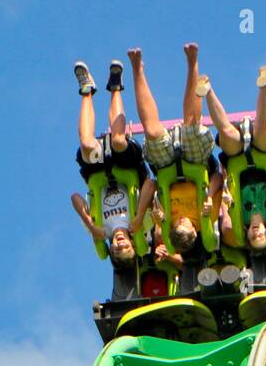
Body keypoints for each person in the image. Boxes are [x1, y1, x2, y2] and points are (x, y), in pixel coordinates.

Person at [127, 44, 224, 266]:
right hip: (195, 162)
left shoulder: (165, 223)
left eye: (177, 223)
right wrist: (209, 195)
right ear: (195, 229)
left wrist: (149, 213)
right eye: (185, 223)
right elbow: (218, 176)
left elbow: (151, 184)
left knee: (152, 132)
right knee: (191, 125)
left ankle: (137, 70)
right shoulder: (206, 215)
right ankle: (193, 63)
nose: (181, 219)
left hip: (167, 168)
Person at [71, 57, 156, 268]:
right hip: (128, 169)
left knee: (87, 146)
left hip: (99, 173)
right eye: (126, 248)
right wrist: (137, 216)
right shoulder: (143, 224)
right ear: (132, 244)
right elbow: (151, 183)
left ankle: (87, 90)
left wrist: (91, 226)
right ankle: (116, 86)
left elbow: (75, 198)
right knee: (118, 140)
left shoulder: (100, 229)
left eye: (117, 250)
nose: (120, 245)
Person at [195, 66, 266, 257]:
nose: (256, 233)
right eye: (261, 236)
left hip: (238, 161)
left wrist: (227, 199)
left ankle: (208, 90)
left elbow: (227, 188)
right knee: (261, 128)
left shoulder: (240, 216)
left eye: (253, 238)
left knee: (227, 133)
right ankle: (264, 86)